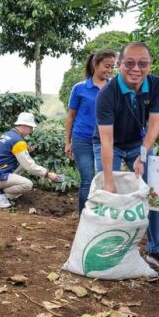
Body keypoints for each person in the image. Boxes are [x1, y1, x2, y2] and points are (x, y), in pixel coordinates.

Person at [94, 42, 159, 267]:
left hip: (139, 143)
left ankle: (156, 250)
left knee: (151, 191)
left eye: (142, 63)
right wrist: (109, 179)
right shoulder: (107, 94)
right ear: (119, 65)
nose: (136, 69)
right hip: (111, 144)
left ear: (150, 65)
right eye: (129, 63)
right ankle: (108, 245)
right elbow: (106, 140)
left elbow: (154, 125)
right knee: (110, 192)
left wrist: (143, 154)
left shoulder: (156, 85)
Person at [65, 50, 116, 214]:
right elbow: (71, 116)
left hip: (105, 141)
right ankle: (84, 217)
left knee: (105, 178)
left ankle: (102, 216)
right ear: (95, 65)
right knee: (87, 180)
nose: (109, 71)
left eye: (112, 67)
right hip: (82, 139)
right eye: (106, 66)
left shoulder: (114, 87)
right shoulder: (79, 88)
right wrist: (68, 142)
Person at [0, 112, 62, 208]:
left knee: (22, 162)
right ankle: (2, 193)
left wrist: (26, 149)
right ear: (25, 126)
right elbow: (29, 166)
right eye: (30, 128)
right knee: (27, 184)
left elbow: (8, 151)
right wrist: (48, 174)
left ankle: (7, 190)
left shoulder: (9, 134)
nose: (31, 131)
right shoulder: (18, 142)